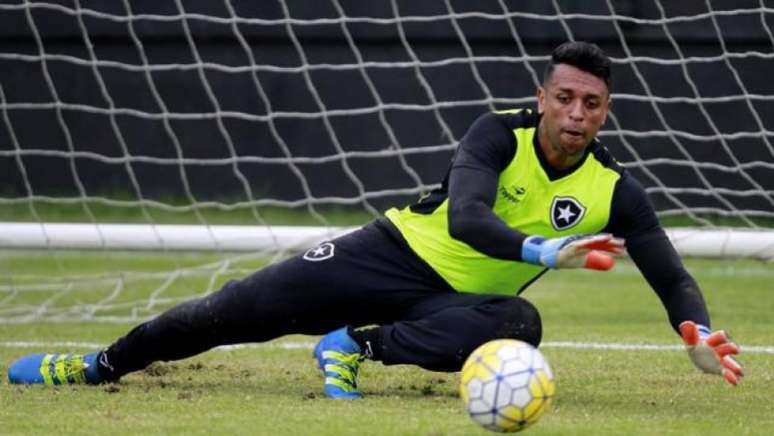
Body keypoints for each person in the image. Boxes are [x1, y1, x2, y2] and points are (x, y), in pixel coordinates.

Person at [7, 41, 743, 397]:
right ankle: (99, 365)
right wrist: (548, 252)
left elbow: (668, 270)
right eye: (566, 97)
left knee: (520, 326)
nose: (577, 112)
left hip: (445, 307)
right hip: (389, 252)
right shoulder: (496, 133)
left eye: (593, 103)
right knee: (230, 310)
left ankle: (357, 346)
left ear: (605, 111)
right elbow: (466, 219)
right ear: (542, 96)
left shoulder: (614, 188)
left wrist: (695, 328)